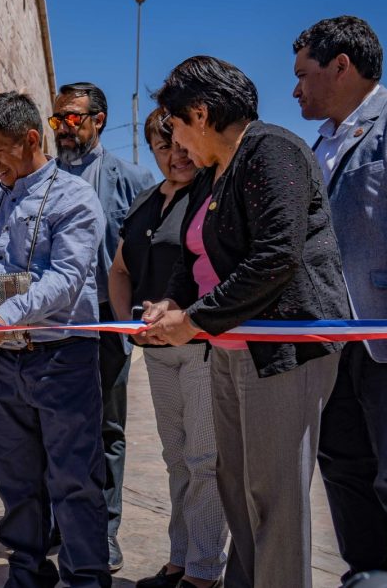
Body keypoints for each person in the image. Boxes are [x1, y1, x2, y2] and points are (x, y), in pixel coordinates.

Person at [142, 55, 349, 588]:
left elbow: (276, 255)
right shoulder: (215, 172)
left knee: (274, 496)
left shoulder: (272, 151)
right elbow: (193, 256)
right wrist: (172, 304)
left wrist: (195, 321)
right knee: (235, 488)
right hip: (229, 348)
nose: (178, 144)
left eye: (179, 126)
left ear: (202, 113)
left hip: (281, 353)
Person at [0, 92, 110, 588]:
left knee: (73, 479)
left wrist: (2, 317)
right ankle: (26, 572)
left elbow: (66, 278)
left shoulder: (75, 198)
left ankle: (85, 576)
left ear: (30, 140)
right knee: (16, 479)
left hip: (63, 358)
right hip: (4, 362)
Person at [292, 15, 387, 585]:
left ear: (340, 66)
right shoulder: (313, 147)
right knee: (344, 472)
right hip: (332, 352)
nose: (296, 88)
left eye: (303, 74)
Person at [109, 108, 226, 588]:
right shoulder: (141, 204)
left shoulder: (212, 196)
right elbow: (120, 270)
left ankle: (203, 572)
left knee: (204, 461)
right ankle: (179, 560)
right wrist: (124, 328)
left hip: (202, 345)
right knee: (176, 457)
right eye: (164, 147)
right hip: (155, 349)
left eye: (180, 145)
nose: (176, 156)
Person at [52, 82, 155, 572]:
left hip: (107, 323)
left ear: (99, 119)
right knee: (57, 428)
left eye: (73, 119)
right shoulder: (43, 177)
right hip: (54, 325)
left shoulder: (132, 180)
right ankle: (61, 523)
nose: (64, 129)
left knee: (108, 429)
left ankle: (104, 530)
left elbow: (148, 251)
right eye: (58, 120)